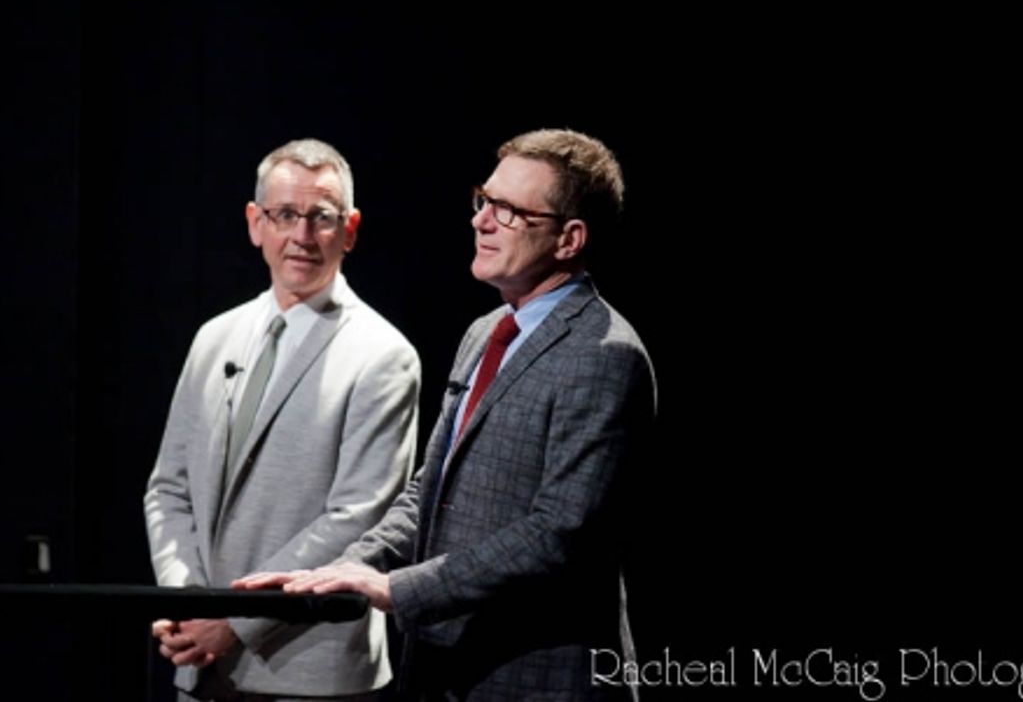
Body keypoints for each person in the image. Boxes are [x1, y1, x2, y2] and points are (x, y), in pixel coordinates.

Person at [238, 129, 656, 700]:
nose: (481, 221)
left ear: (569, 238)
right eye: (484, 200)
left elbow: (558, 535)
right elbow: (427, 494)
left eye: (508, 212)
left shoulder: (606, 353)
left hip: (539, 678)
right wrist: (340, 570)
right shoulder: (485, 332)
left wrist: (397, 589)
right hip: (449, 669)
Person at [145, 138, 421, 701]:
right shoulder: (213, 337)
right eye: (285, 215)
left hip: (310, 670)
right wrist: (189, 603)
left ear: (349, 229)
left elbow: (358, 519)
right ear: (255, 223)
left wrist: (236, 621)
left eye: (321, 217)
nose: (301, 236)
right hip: (200, 665)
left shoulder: (383, 354)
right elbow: (168, 490)